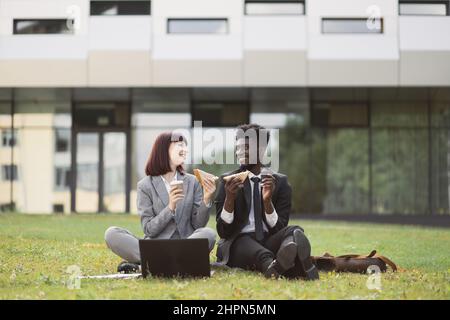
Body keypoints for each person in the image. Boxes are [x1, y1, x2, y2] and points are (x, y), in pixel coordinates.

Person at [214, 124, 319, 280]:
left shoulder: (280, 183)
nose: (240, 153)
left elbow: (279, 228)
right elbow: (224, 232)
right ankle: (283, 266)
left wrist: (267, 201)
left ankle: (284, 261)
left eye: (246, 148)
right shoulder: (228, 181)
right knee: (256, 249)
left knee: (295, 230)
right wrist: (229, 199)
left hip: (268, 240)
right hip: (237, 244)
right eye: (238, 148)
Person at [104, 131, 217, 273]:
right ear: (164, 150)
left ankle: (146, 266)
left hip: (185, 244)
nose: (184, 150)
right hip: (155, 247)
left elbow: (198, 225)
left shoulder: (192, 182)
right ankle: (174, 263)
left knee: (209, 233)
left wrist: (207, 198)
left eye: (185, 146)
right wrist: (170, 208)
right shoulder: (145, 186)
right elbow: (149, 229)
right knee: (111, 233)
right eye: (179, 146)